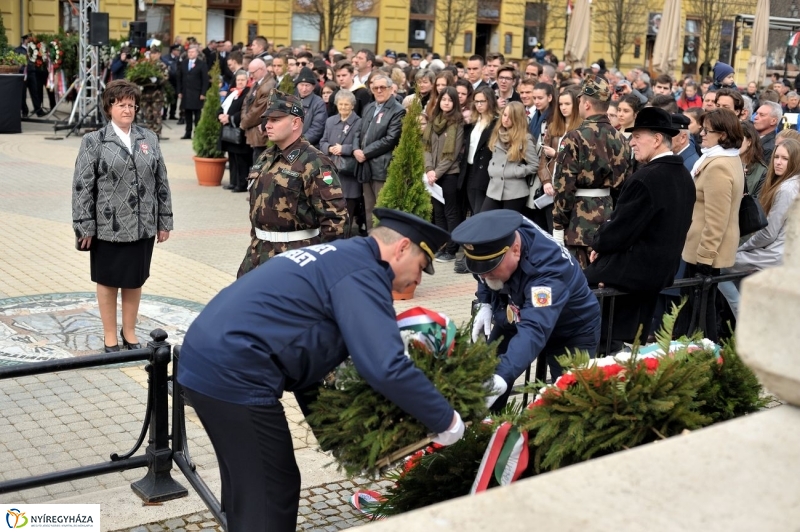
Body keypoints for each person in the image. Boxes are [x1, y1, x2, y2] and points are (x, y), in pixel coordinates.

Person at [178, 208, 465, 532]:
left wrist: (330, 428)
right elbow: (385, 366)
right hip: (235, 372)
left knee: (250, 485)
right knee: (272, 488)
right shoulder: (364, 273)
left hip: (209, 358)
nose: (418, 279)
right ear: (401, 248)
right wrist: (446, 419)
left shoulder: (343, 255)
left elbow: (306, 349)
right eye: (421, 267)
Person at [451, 210, 601, 409]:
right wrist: (484, 302)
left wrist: (501, 376)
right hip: (516, 312)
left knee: (571, 402)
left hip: (570, 330)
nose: (485, 276)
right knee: (486, 374)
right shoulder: (503, 230)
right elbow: (482, 270)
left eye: (491, 268)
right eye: (480, 269)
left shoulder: (548, 272)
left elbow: (533, 330)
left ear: (515, 250)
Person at [72, 80, 173, 352]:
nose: (127, 109)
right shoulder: (94, 141)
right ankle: (110, 336)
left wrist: (165, 221)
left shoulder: (148, 138)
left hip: (142, 226)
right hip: (107, 226)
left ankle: (129, 333)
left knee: (134, 280)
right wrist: (84, 227)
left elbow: (161, 182)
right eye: (121, 104)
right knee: (107, 281)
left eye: (131, 104)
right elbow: (82, 187)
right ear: (109, 107)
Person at [584, 108, 695, 349]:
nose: (631, 142)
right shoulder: (684, 176)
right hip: (657, 276)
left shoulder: (647, 178)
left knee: (595, 338)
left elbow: (620, 230)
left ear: (656, 139)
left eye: (637, 136)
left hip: (629, 276)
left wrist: (598, 244)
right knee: (628, 345)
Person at [237, 91, 349, 277]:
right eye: (267, 119)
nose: (267, 125)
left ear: (295, 122)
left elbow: (336, 223)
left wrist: (323, 268)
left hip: (296, 257)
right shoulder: (266, 157)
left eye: (275, 119)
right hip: (258, 256)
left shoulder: (315, 162)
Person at [676, 109, 745, 342]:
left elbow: (717, 219)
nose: (701, 134)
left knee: (700, 319)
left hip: (704, 254)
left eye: (707, 131)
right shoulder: (721, 158)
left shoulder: (719, 166)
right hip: (700, 248)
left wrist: (705, 258)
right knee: (698, 314)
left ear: (723, 135)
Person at [552, 76, 631, 269]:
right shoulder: (620, 139)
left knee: (577, 283)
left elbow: (564, 186)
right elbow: (624, 185)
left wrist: (558, 224)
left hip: (577, 222)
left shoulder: (574, 138)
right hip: (608, 215)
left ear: (586, 104)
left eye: (579, 100)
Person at [718, 138, 800, 316]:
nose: (778, 162)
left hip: (775, 256)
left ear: (795, 161)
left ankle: (744, 314)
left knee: (719, 266)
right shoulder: (792, 185)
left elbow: (769, 234)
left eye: (785, 159)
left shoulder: (787, 189)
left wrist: (743, 248)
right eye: (776, 157)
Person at [353, 74, 406, 231]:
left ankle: (382, 243)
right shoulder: (369, 107)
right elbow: (358, 131)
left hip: (381, 166)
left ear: (391, 89)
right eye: (375, 88)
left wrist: (365, 152)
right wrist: (356, 148)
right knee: (369, 207)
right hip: (365, 164)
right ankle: (371, 240)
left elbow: (390, 139)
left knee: (382, 207)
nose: (379, 90)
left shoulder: (398, 110)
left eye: (383, 87)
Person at [423, 86, 465, 262]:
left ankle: (451, 248)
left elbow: (452, 154)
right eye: (443, 99)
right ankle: (441, 246)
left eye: (449, 100)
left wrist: (437, 173)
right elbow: (426, 147)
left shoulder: (457, 123)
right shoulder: (434, 120)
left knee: (450, 212)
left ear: (454, 103)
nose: (446, 103)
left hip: (448, 174)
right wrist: (429, 169)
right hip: (432, 174)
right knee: (438, 212)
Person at [533, 87, 581, 232]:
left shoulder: (582, 128)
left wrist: (556, 154)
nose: (563, 108)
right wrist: (546, 181)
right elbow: (542, 159)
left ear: (576, 104)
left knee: (566, 231)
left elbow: (580, 160)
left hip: (571, 188)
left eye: (567, 104)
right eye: (560, 104)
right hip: (551, 188)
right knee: (550, 229)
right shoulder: (553, 126)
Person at [483, 102, 539, 213]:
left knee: (507, 227)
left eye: (511, 117)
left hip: (514, 191)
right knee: (484, 220)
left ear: (518, 119)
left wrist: (516, 171)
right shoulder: (496, 134)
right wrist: (491, 168)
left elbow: (534, 165)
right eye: (504, 115)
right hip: (494, 188)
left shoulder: (525, 138)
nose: (506, 119)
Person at [319, 90, 362, 229]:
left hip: (348, 171)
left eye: (346, 104)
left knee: (347, 208)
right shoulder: (330, 121)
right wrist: (329, 148)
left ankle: (346, 236)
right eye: (340, 104)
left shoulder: (359, 122)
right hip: (330, 169)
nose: (343, 107)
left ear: (352, 106)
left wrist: (344, 149)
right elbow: (322, 141)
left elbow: (361, 145)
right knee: (330, 204)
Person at [463, 86, 499, 218]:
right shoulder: (474, 122)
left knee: (480, 212)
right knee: (472, 209)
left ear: (490, 101)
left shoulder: (496, 122)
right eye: (476, 102)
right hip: (470, 169)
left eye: (482, 101)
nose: (479, 105)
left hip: (484, 172)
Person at [218, 69, 253, 193]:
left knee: (241, 159)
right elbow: (222, 107)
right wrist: (221, 115)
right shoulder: (232, 92)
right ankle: (233, 182)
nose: (240, 82)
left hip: (239, 130)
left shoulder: (248, 93)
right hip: (228, 130)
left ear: (247, 81)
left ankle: (241, 184)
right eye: (238, 80)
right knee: (232, 157)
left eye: (243, 80)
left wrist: (230, 118)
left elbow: (244, 111)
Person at [240, 58, 276, 163]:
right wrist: (243, 118)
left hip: (260, 134)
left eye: (253, 72)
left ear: (261, 69)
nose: (251, 75)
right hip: (254, 133)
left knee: (258, 165)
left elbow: (257, 112)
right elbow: (246, 102)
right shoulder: (258, 83)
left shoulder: (268, 85)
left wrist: (243, 122)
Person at [178, 45, 209, 139]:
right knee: (187, 114)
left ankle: (197, 133)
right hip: (186, 93)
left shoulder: (202, 64)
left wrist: (203, 93)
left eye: (192, 52)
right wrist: (179, 91)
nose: (190, 54)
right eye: (189, 52)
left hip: (197, 93)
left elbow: (205, 80)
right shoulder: (183, 63)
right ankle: (188, 132)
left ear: (196, 53)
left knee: (197, 115)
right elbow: (179, 78)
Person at [140, 47, 170, 138]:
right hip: (145, 94)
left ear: (159, 54)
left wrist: (157, 81)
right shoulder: (145, 65)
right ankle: (149, 132)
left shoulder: (162, 65)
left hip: (157, 95)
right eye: (152, 53)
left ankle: (156, 133)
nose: (153, 55)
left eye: (155, 53)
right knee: (147, 114)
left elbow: (165, 78)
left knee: (156, 114)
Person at [294, 67, 327, 147]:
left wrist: (299, 142)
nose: (304, 89)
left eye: (307, 85)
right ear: (297, 85)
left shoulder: (318, 103)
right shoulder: (292, 100)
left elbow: (317, 129)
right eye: (302, 85)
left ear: (313, 87)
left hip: (309, 147)